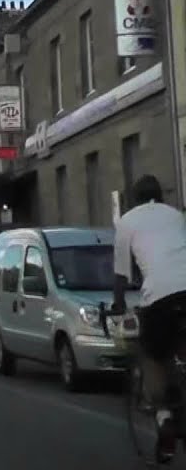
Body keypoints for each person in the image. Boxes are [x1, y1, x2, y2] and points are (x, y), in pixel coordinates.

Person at [113, 175, 186, 464]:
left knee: (152, 354)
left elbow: (120, 275)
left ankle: (165, 417)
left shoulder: (127, 223)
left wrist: (117, 304)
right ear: (160, 195)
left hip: (160, 298)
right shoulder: (176, 215)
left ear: (134, 198)